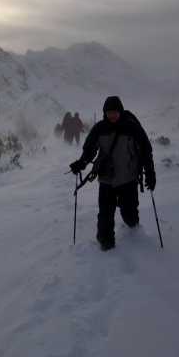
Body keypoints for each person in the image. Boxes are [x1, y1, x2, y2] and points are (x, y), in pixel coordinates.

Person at [69, 96, 156, 251]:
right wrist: (81, 163)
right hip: (106, 179)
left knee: (129, 214)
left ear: (120, 111)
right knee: (105, 214)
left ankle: (133, 230)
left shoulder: (132, 128)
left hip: (128, 178)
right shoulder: (100, 129)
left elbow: (145, 151)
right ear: (105, 113)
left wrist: (150, 172)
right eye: (109, 112)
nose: (112, 115)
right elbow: (89, 150)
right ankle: (106, 244)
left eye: (115, 112)